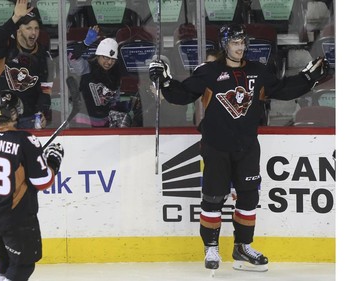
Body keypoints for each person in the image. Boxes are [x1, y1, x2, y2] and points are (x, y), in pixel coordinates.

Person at [149, 24, 329, 272]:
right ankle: (210, 246)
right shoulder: (209, 72)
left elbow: (283, 90)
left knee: (249, 197)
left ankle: (242, 246)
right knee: (213, 197)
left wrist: (308, 79)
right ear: (225, 45)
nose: (240, 47)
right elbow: (183, 95)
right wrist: (165, 81)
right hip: (216, 146)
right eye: (235, 43)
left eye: (243, 42)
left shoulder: (259, 71)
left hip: (247, 146)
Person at [0, 90, 64, 281]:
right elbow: (42, 181)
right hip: (16, 217)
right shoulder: (26, 140)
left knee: (2, 260)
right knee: (22, 266)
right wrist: (54, 162)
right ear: (14, 113)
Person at [0, 0, 52, 129]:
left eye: (36, 28)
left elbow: (45, 88)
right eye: (28, 28)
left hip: (29, 118)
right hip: (2, 116)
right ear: (19, 30)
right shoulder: (8, 46)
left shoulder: (42, 54)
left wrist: (43, 112)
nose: (33, 33)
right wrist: (15, 18)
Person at [68, 26, 132, 127]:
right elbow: (72, 58)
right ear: (98, 55)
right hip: (82, 122)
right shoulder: (87, 68)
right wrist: (85, 43)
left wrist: (122, 106)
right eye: (106, 58)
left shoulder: (115, 75)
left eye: (112, 59)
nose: (109, 62)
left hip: (103, 123)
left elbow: (115, 101)